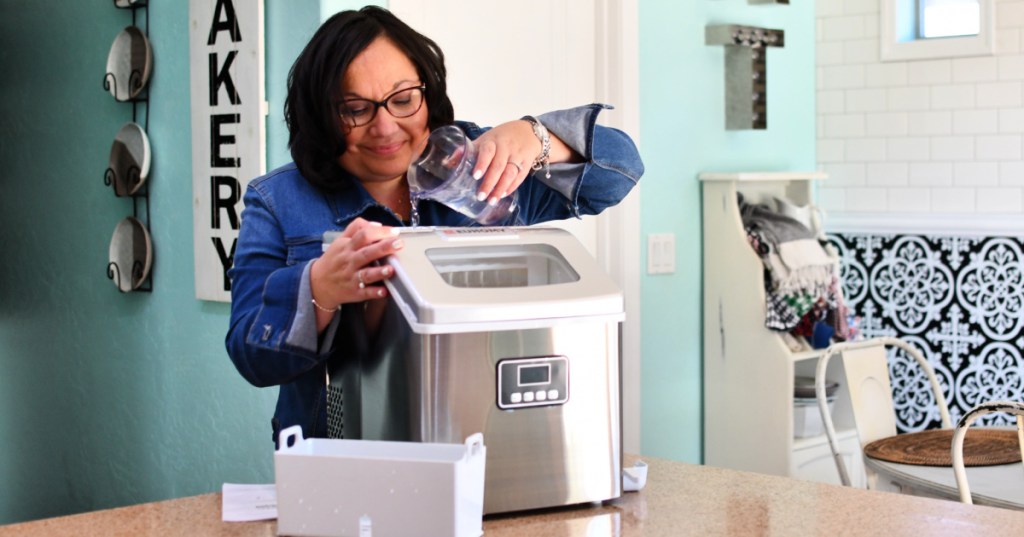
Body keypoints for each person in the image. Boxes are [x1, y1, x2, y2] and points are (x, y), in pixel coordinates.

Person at [225, 6, 643, 444]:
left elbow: (620, 171)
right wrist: (317, 290)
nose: (385, 127)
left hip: (490, 450)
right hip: (340, 469)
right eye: (355, 109)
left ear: (428, 94)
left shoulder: (479, 163)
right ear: (322, 115)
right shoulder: (277, 201)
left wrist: (536, 136)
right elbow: (251, 358)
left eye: (403, 99)